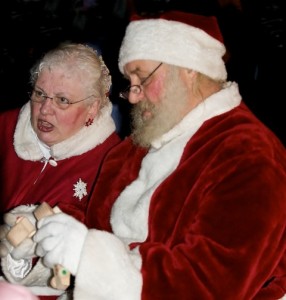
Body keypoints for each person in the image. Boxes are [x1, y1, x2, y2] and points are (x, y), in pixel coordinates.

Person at [33, 11, 286, 299]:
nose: (133, 96)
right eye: (131, 82)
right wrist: (41, 229)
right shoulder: (136, 147)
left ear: (189, 69)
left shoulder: (251, 155)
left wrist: (88, 256)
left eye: (141, 77)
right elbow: (96, 222)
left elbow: (209, 284)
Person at [0, 43, 120, 298]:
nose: (45, 109)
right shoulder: (4, 127)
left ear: (92, 108)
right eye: (40, 94)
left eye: (62, 100)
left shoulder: (113, 163)